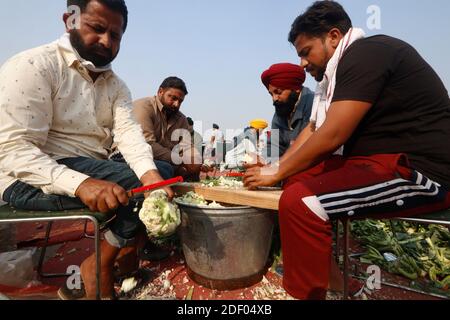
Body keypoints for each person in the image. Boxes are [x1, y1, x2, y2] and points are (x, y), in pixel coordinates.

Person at [244, 0, 450, 300]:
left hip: (419, 172)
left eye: (305, 52)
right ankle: (336, 284)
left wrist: (275, 170)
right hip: (375, 162)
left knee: (301, 202)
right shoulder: (332, 77)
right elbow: (312, 130)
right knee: (293, 182)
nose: (302, 63)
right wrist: (276, 172)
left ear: (334, 36)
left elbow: (333, 134)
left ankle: (308, 294)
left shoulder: (367, 53)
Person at [0, 0, 173, 300]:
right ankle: (100, 267)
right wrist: (81, 184)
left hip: (87, 165)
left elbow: (130, 135)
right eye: (97, 28)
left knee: (164, 175)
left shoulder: (116, 86)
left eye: (116, 35)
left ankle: (111, 259)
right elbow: (13, 151)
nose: (107, 41)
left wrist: (151, 176)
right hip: (24, 178)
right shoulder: (32, 65)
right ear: (69, 20)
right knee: (131, 185)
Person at [132, 77, 203, 181]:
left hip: (165, 160)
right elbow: (147, 144)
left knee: (192, 171)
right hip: (133, 156)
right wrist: (179, 160)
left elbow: (187, 147)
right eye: (173, 98)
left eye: (180, 101)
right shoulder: (144, 107)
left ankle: (186, 197)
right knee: (165, 169)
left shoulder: (181, 119)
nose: (176, 104)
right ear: (160, 91)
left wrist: (196, 161)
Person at [261, 63, 314, 160]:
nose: (274, 99)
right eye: (271, 94)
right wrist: (265, 163)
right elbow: (274, 146)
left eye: (278, 92)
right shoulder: (280, 111)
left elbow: (308, 148)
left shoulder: (314, 105)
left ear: (296, 89)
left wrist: (278, 166)